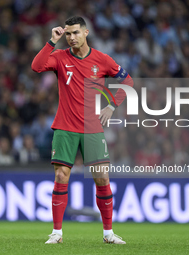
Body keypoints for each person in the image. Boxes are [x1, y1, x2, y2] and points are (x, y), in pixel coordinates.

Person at [31, 16, 133, 244]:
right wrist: (51, 41)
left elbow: (128, 82)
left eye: (75, 32)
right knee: (61, 176)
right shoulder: (59, 57)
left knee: (102, 178)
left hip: (92, 128)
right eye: (68, 33)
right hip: (65, 127)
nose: (71, 38)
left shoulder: (102, 59)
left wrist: (111, 106)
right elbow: (36, 66)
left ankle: (108, 234)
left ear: (86, 32)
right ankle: (56, 233)